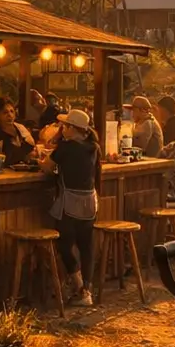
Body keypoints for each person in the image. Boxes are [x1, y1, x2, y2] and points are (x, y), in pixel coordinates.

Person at [39, 109, 101, 307]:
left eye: (65, 125)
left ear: (73, 128)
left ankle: (79, 286)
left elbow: (47, 167)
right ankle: (87, 289)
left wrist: (41, 158)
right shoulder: (94, 146)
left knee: (64, 243)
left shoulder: (66, 147)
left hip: (71, 202)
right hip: (91, 201)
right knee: (86, 245)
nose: (61, 128)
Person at [0, 96, 36, 166]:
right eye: (5, 112)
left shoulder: (21, 128)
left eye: (12, 111)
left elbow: (32, 149)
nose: (10, 115)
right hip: (0, 175)